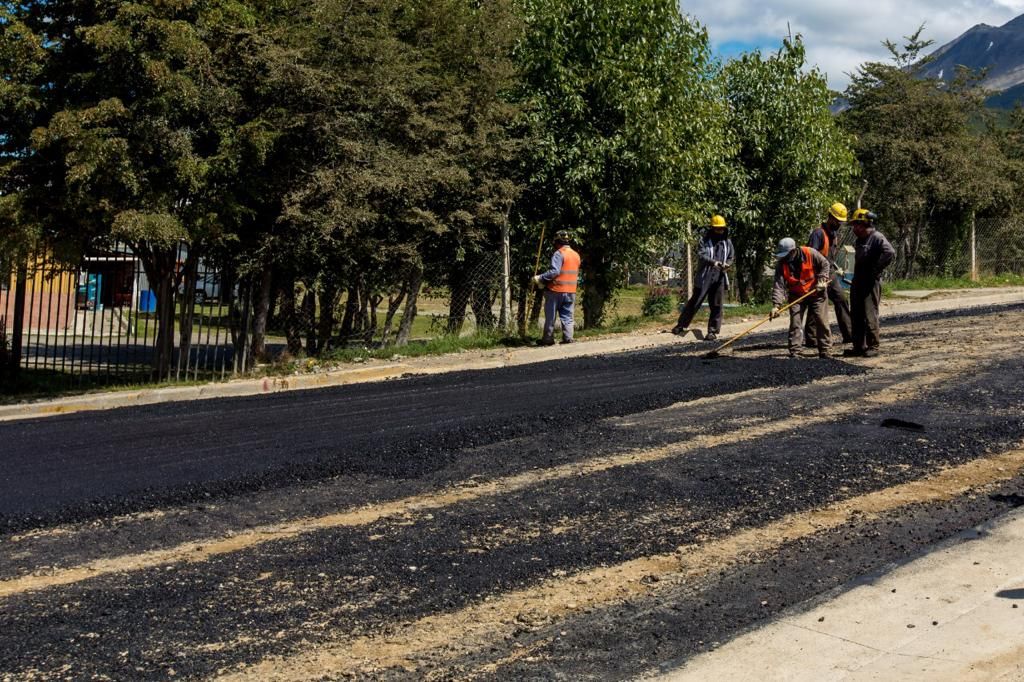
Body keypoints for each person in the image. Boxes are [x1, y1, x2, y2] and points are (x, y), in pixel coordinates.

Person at [671, 215, 734, 341]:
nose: (719, 231)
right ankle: (681, 325)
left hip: (719, 276)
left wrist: (727, 264)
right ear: (712, 229)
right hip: (705, 276)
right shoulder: (704, 241)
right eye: (717, 229)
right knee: (695, 302)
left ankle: (712, 331)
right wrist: (714, 262)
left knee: (717, 304)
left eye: (721, 229)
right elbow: (702, 255)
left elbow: (731, 256)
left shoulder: (727, 242)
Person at [845, 209, 895, 357]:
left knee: (869, 313)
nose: (854, 228)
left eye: (856, 225)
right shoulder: (860, 239)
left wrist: (876, 268)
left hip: (870, 282)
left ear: (864, 224)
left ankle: (873, 346)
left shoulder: (877, 237)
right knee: (856, 313)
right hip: (858, 280)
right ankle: (858, 346)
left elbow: (890, 252)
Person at [769, 237, 831, 358]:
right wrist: (776, 306)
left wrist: (822, 279)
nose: (785, 257)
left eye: (787, 254)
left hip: (816, 293)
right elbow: (779, 286)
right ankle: (795, 351)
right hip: (796, 295)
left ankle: (825, 350)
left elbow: (825, 264)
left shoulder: (810, 253)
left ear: (794, 251)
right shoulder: (781, 264)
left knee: (821, 321)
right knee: (795, 322)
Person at [804, 202, 854, 347]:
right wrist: (818, 279)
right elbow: (810, 256)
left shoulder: (834, 234)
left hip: (830, 273)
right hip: (817, 274)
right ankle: (812, 339)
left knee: (841, 300)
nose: (839, 224)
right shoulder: (818, 233)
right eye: (838, 221)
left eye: (841, 222)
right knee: (816, 304)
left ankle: (849, 335)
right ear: (830, 217)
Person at [533, 230, 581, 346]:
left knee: (551, 316)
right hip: (571, 291)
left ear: (557, 241)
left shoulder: (559, 253)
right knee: (568, 316)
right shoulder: (576, 255)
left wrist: (540, 277)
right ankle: (568, 338)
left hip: (556, 290)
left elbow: (555, 271)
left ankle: (548, 339)